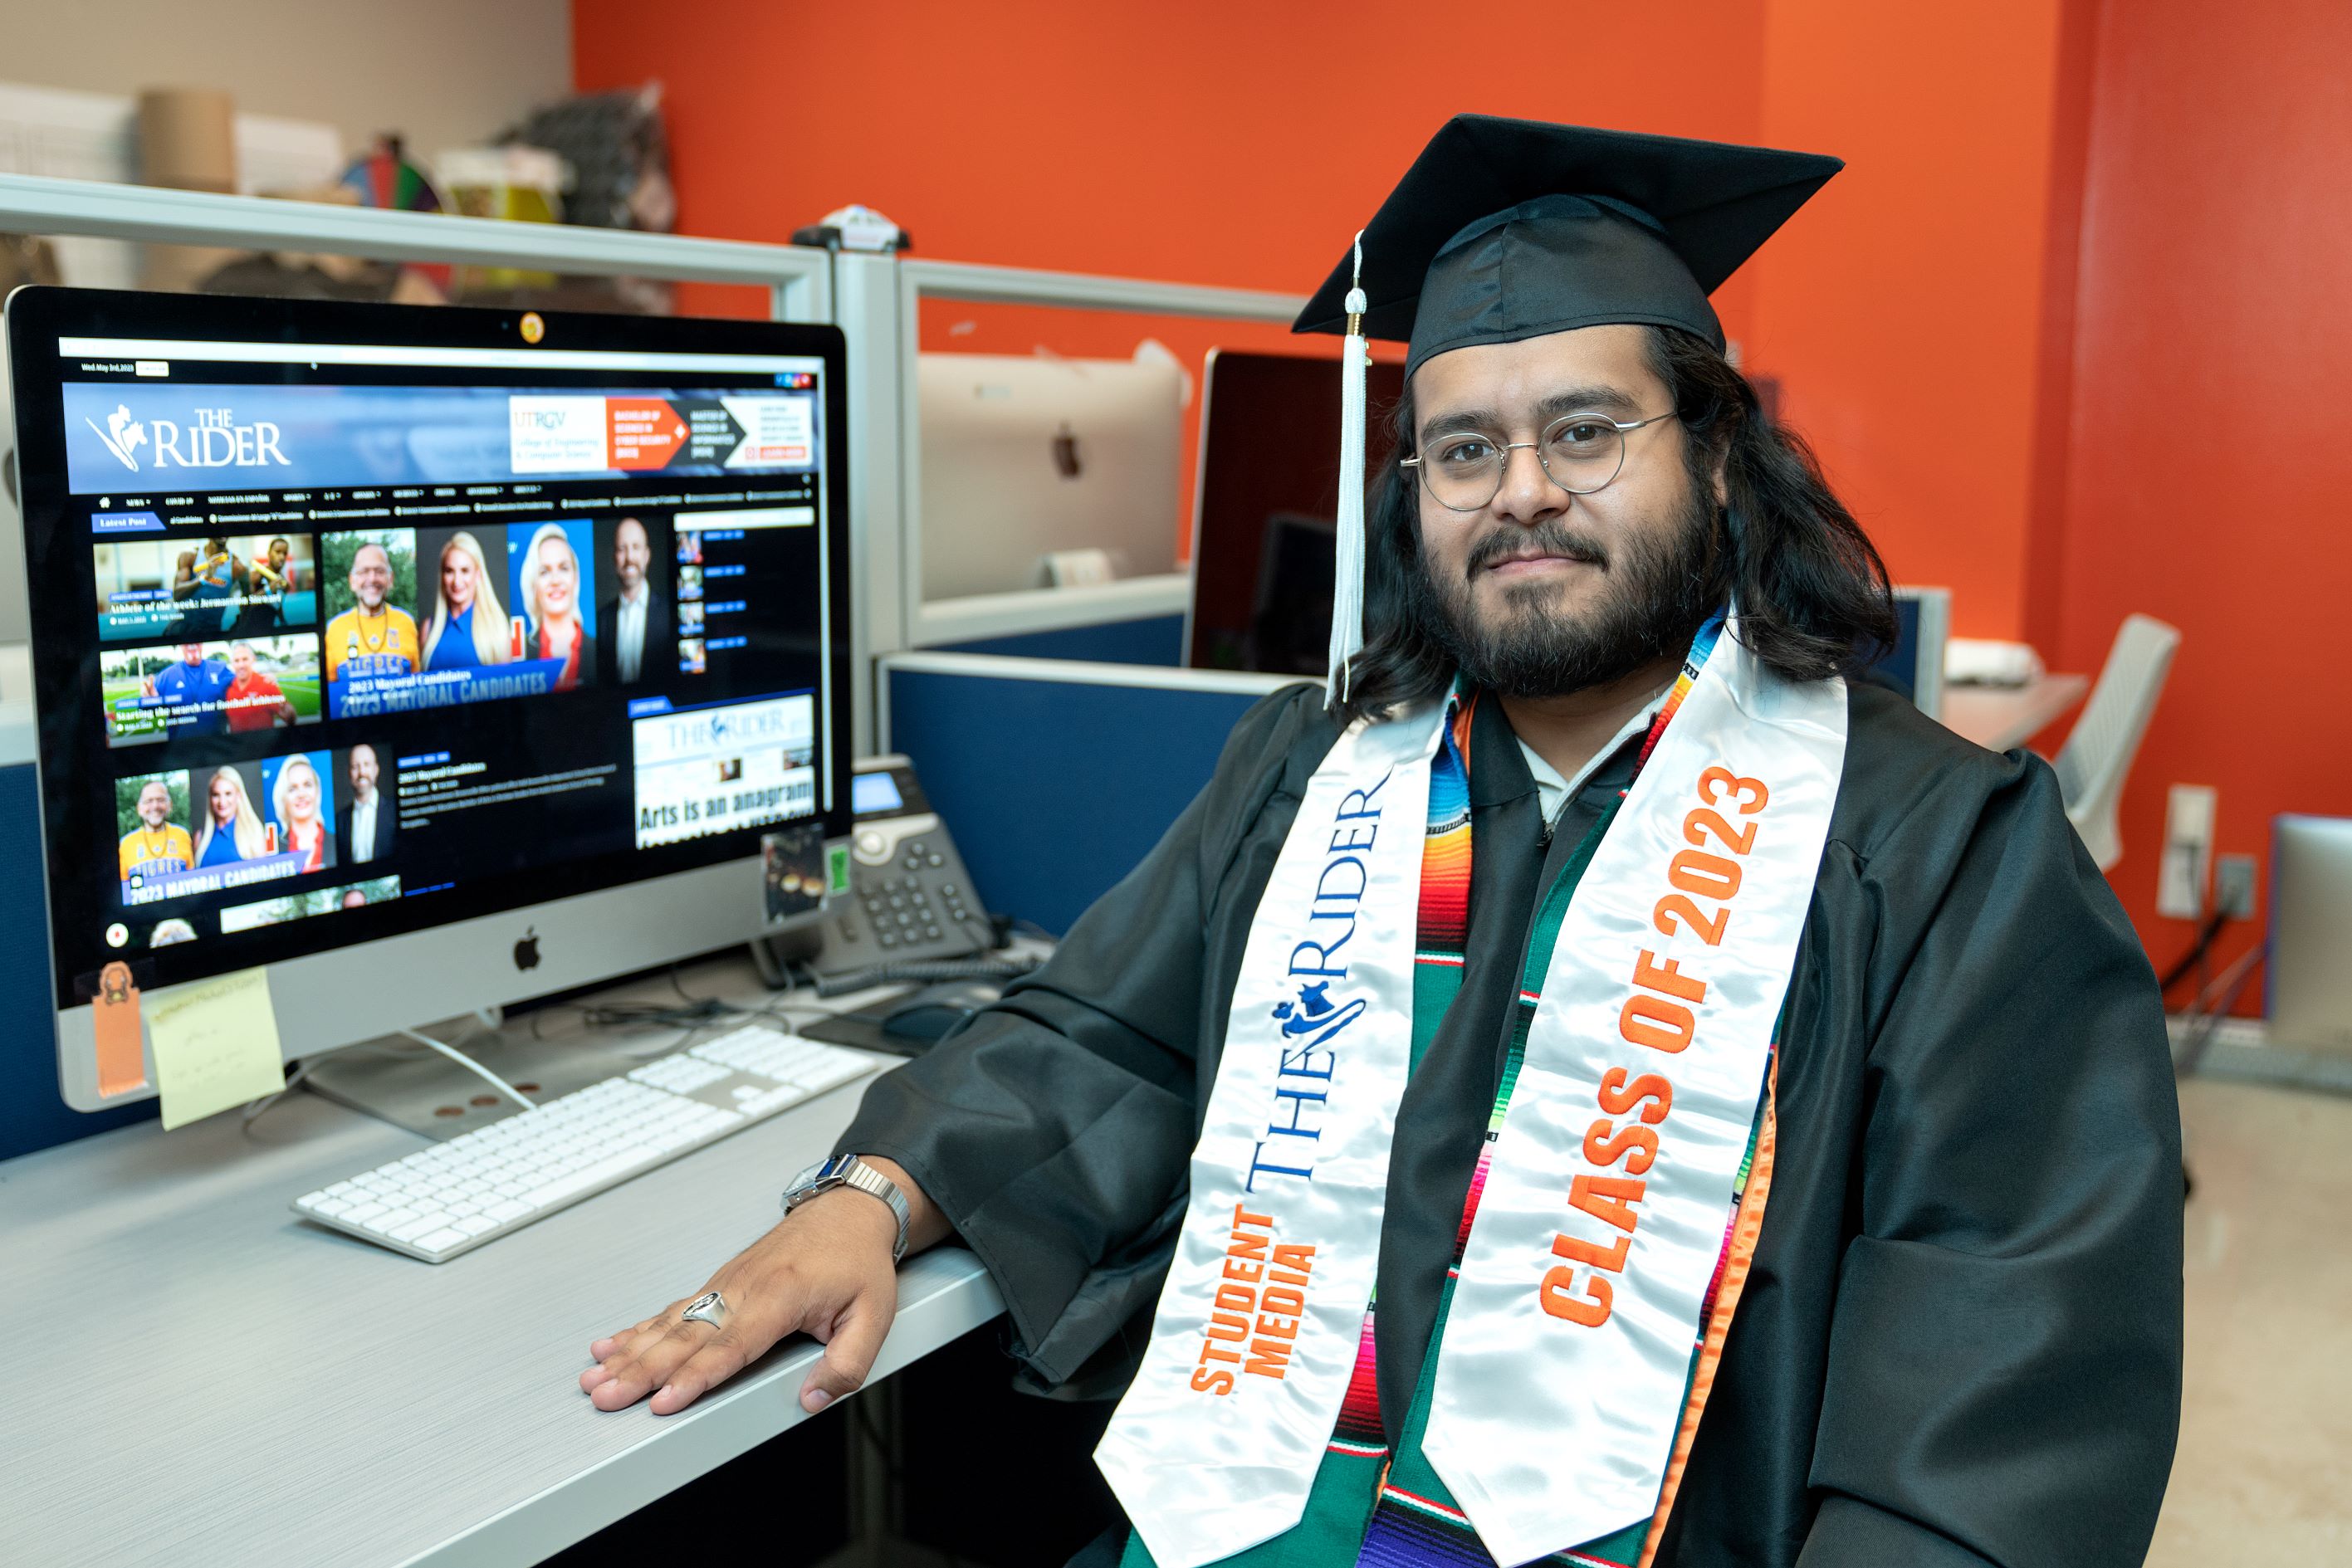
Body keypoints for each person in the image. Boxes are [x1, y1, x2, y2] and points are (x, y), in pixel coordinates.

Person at [577, 119, 2183, 1568]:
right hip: (1255, 1516)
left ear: (1713, 453)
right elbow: (1101, 1036)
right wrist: (872, 1186)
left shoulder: (1932, 855)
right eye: (1464, 448)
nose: (1521, 495)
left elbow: (1994, 1383)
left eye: (1584, 431)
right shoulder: (1316, 773)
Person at [323, 542, 420, 686]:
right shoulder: (334, 628)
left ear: (390, 579)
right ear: (352, 581)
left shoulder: (407, 622)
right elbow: (331, 694)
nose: (372, 579)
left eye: (379, 571)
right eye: (364, 571)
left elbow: (416, 684)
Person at [421, 530, 514, 672]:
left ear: (478, 575)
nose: (457, 581)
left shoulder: (498, 628)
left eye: (465, 571)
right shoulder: (428, 629)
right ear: (442, 576)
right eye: (449, 571)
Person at [596, 515, 670, 685]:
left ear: (646, 556)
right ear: (615, 557)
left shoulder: (669, 614)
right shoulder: (602, 620)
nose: (629, 558)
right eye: (622, 548)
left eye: (636, 547)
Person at [521, 523, 594, 691]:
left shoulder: (600, 649)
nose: (555, 580)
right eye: (544, 571)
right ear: (534, 585)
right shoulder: (521, 653)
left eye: (564, 568)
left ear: (575, 578)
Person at [141, 642, 233, 737]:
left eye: (196, 641)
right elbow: (147, 711)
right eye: (187, 643)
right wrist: (149, 700)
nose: (192, 645)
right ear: (181, 645)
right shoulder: (167, 676)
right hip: (180, 747)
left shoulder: (221, 669)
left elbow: (243, 692)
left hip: (217, 746)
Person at [116, 779, 193, 884]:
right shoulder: (126, 843)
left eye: (161, 800)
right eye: (148, 801)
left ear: (170, 805)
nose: (155, 806)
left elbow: (192, 880)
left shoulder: (183, 835)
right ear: (139, 808)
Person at [193, 765, 268, 868]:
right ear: (210, 798)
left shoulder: (254, 832)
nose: (222, 802)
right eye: (216, 795)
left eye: (228, 794)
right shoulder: (200, 837)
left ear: (239, 796)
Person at [270, 753, 330, 873]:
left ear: (317, 791)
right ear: (283, 798)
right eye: (292, 788)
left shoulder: (337, 841)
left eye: (307, 785)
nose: (301, 794)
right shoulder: (274, 849)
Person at [338, 744, 395, 867]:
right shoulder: (340, 820)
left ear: (376, 770)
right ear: (349, 773)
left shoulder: (395, 810)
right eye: (355, 766)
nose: (362, 772)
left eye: (367, 765)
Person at [222, 641, 297, 732]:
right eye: (237, 661)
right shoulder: (227, 688)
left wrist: (286, 709)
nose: (241, 665)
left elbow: (290, 719)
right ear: (232, 663)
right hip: (237, 745)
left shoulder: (267, 684)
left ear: (253, 659)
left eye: (245, 659)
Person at [230, 536, 298, 637]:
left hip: (266, 630)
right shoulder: (256, 576)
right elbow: (244, 605)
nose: (282, 557)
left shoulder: (282, 581)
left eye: (284, 553)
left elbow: (277, 606)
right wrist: (268, 590)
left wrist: (284, 624)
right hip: (247, 632)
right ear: (269, 553)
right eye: (278, 552)